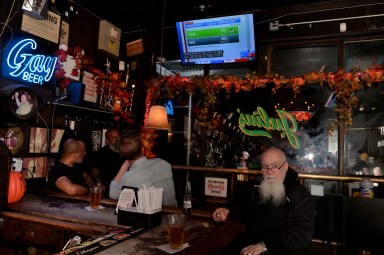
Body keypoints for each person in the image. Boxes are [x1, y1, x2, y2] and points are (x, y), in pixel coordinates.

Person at [213, 147, 315, 255]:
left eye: (275, 166)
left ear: (285, 167)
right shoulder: (258, 187)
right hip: (252, 242)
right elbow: (242, 206)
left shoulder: (299, 194)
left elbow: (303, 233)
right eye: (265, 167)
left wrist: (265, 246)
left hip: (282, 248)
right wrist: (226, 210)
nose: (269, 172)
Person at [109, 131, 178, 206]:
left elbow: (113, 194)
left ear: (122, 155)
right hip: (172, 214)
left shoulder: (130, 177)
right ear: (142, 149)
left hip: (151, 217)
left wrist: (126, 163)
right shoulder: (164, 164)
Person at [91, 128, 125, 197]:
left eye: (119, 136)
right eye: (114, 137)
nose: (118, 139)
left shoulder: (127, 151)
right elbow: (95, 170)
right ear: (107, 141)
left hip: (125, 188)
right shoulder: (101, 153)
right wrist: (99, 181)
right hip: (109, 189)